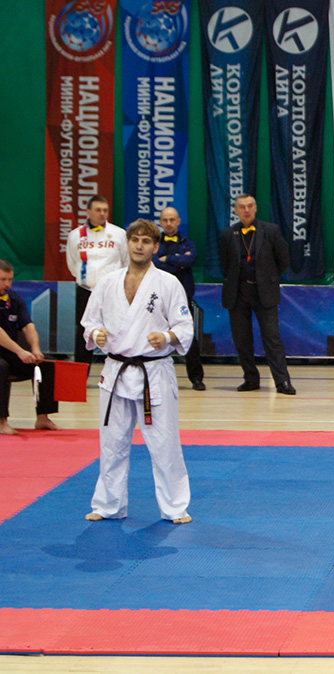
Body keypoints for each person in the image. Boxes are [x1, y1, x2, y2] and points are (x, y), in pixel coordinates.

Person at [81, 219, 193, 524]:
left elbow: (184, 326)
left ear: (155, 247)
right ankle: (108, 505)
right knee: (112, 442)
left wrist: (167, 337)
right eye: (135, 240)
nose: (139, 246)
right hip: (116, 370)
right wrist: (95, 334)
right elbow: (89, 322)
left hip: (153, 372)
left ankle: (175, 507)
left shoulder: (168, 283)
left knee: (164, 443)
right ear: (127, 243)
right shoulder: (107, 282)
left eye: (146, 241)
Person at [218, 194, 295, 395]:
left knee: (272, 338)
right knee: (242, 340)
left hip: (264, 292)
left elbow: (283, 259)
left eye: (250, 206)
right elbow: (225, 263)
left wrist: (268, 278)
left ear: (255, 208)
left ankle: (282, 381)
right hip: (238, 293)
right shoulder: (228, 234)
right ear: (236, 210)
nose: (246, 210)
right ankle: (250, 379)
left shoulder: (270, 230)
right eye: (242, 207)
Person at [65, 196, 128, 365]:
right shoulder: (75, 235)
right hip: (86, 291)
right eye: (98, 210)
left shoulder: (119, 234)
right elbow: (72, 263)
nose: (102, 213)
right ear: (88, 212)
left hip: (112, 292)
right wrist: (87, 280)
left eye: (105, 210)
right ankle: (81, 375)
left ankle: (120, 370)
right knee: (83, 334)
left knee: (117, 330)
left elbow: (126, 262)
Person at [0, 260, 59, 435]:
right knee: (0, 367)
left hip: (9, 352)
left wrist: (35, 349)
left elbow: (27, 326)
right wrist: (20, 351)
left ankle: (43, 417)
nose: (7, 284)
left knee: (47, 364)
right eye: (3, 280)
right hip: (7, 353)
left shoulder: (14, 299)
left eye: (10, 279)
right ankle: (1, 421)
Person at [153, 207, 204, 391]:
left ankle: (196, 378)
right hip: (158, 298)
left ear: (178, 221)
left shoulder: (187, 243)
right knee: (154, 335)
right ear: (160, 221)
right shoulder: (154, 243)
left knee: (189, 337)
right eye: (165, 220)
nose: (169, 223)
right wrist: (176, 262)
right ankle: (153, 377)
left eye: (172, 220)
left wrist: (167, 259)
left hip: (182, 298)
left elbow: (189, 261)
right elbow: (154, 263)